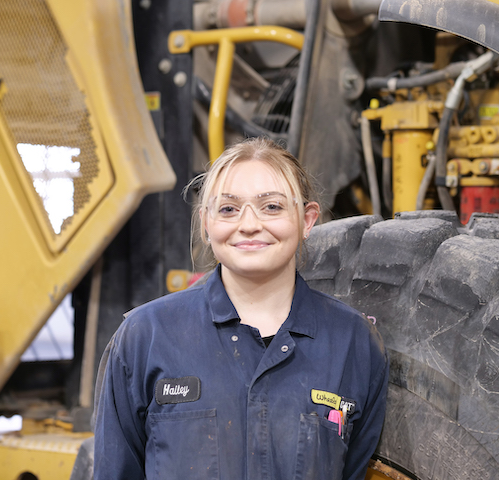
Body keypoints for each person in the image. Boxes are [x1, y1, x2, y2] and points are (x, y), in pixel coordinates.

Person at [93, 137, 389, 480]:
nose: (248, 225)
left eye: (272, 207)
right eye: (228, 209)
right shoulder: (147, 336)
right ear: (206, 223)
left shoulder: (353, 342)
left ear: (307, 220)